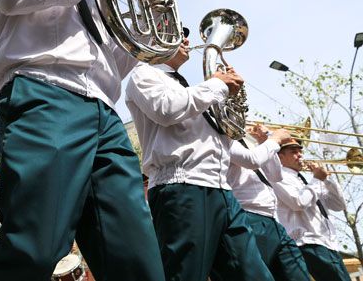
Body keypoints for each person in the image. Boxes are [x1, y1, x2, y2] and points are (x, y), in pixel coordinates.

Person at [0, 0, 168, 281]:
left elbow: (111, 62)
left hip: (104, 113)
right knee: (35, 246)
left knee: (137, 257)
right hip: (44, 98)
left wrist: (156, 9)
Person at [125, 30, 275, 281]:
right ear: (152, 42)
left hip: (222, 191)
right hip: (183, 187)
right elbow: (167, 109)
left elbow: (225, 139)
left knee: (256, 275)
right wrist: (217, 84)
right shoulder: (143, 74)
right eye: (174, 34)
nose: (186, 40)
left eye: (185, 35)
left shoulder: (193, 89)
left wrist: (231, 98)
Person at [227, 125, 311, 281]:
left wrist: (264, 141)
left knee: (299, 276)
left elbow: (275, 175)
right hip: (248, 215)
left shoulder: (254, 144)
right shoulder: (223, 136)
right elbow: (251, 160)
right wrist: (274, 140)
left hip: (273, 220)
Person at [272, 138, 349, 281]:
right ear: (280, 157)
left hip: (327, 242)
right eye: (294, 152)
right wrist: (317, 180)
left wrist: (327, 180)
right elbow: (298, 203)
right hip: (309, 242)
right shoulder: (280, 177)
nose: (300, 155)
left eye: (300, 151)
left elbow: (338, 205)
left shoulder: (306, 180)